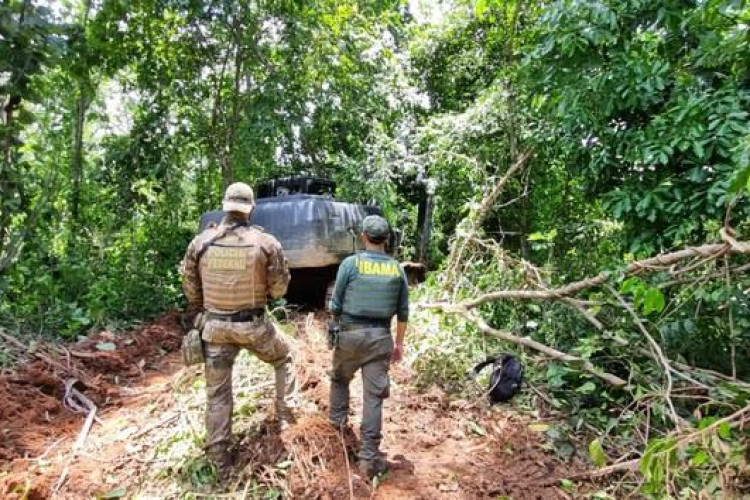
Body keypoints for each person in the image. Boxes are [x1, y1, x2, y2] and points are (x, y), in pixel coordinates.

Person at [180, 182, 296, 478]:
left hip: (215, 328)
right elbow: (280, 289)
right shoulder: (265, 243)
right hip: (253, 326)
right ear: (251, 209)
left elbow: (191, 291)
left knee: (217, 396)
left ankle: (220, 464)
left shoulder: (201, 243)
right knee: (284, 359)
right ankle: (286, 422)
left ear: (224, 206)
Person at [328, 214, 409, 478]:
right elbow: (403, 312)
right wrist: (398, 344)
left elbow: (336, 305)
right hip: (380, 338)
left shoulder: (350, 264)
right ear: (387, 240)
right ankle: (368, 459)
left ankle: (336, 438)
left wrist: (336, 326)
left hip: (350, 336)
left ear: (363, 237)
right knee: (373, 398)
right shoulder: (397, 269)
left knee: (340, 379)